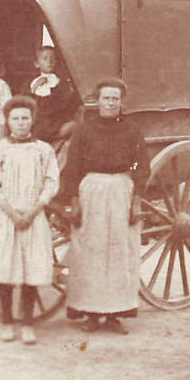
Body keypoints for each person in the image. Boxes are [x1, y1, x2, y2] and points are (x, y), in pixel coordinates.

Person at [57, 78, 151, 335]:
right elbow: (74, 166)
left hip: (121, 189)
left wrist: (135, 196)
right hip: (92, 190)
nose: (110, 103)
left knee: (119, 251)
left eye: (115, 99)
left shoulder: (131, 131)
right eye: (106, 98)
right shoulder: (85, 130)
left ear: (121, 103)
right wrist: (74, 199)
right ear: (97, 101)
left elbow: (139, 164)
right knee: (91, 250)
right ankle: (90, 312)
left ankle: (114, 314)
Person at [0, 96, 60, 345]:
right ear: (8, 121)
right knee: (6, 268)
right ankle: (8, 322)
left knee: (30, 270)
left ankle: (28, 323)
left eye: (25, 118)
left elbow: (51, 181)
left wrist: (33, 211)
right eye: (16, 119)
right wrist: (12, 213)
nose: (21, 123)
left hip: (33, 216)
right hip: (5, 216)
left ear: (33, 120)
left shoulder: (43, 150)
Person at [27, 46, 80, 143]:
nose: (49, 61)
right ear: (37, 64)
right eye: (45, 59)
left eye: (53, 59)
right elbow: (25, 101)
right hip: (38, 122)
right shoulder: (31, 82)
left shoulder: (61, 82)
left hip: (55, 121)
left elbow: (68, 104)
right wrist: (34, 87)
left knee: (73, 126)